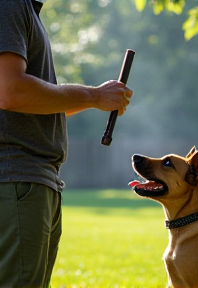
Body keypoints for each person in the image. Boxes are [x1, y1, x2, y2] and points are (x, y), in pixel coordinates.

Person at [0, 0, 133, 287]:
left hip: (28, 180)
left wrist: (96, 99)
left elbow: (32, 100)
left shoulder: (24, 9)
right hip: (17, 180)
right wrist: (93, 96)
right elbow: (11, 91)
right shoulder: (10, 5)